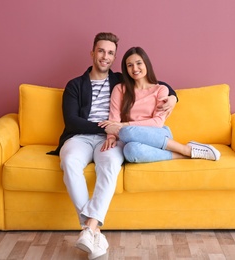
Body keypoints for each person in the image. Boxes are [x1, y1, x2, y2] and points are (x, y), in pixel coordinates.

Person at [47, 33, 178, 259]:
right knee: (68, 162)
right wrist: (106, 128)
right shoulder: (75, 85)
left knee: (109, 166)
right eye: (101, 51)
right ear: (92, 53)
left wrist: (174, 97)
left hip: (113, 139)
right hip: (80, 137)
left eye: (110, 53)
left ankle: (89, 230)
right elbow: (71, 121)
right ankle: (92, 228)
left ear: (114, 57)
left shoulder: (120, 81)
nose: (105, 56)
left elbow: (154, 83)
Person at [99, 46, 221, 162]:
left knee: (125, 131)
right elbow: (113, 120)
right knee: (130, 151)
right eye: (130, 65)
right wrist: (111, 137)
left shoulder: (161, 89)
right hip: (133, 138)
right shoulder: (120, 89)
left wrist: (123, 125)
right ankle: (183, 155)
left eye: (139, 63)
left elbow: (157, 122)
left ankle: (186, 149)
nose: (135, 69)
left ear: (146, 63)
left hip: (158, 133)